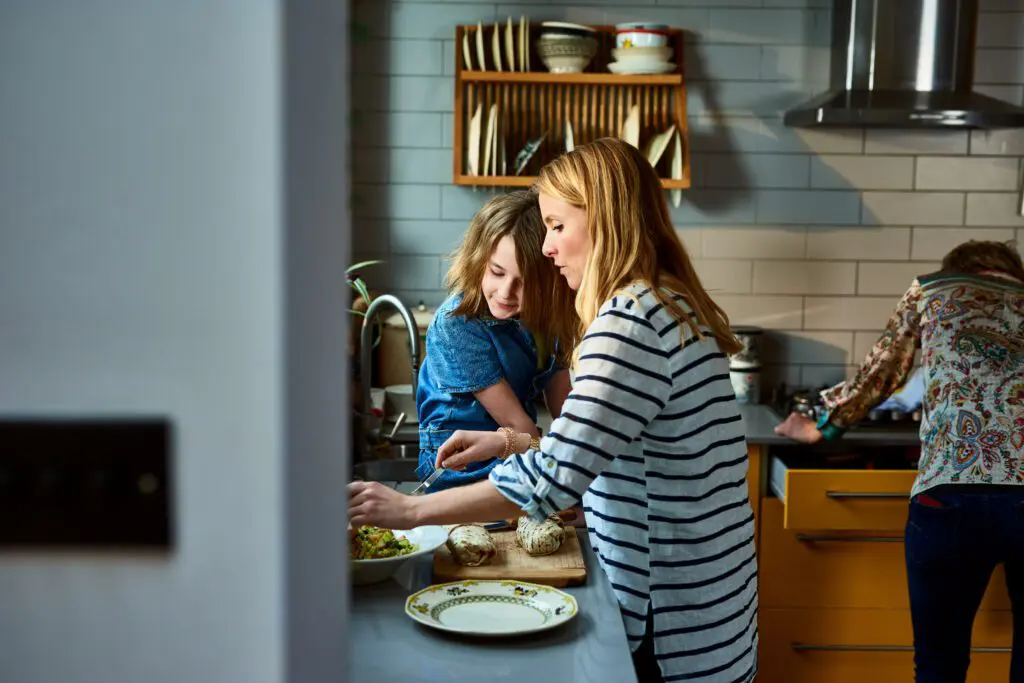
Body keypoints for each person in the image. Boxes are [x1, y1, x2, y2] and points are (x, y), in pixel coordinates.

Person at [351, 138, 759, 683]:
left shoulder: (629, 324)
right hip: (709, 605)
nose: (546, 247)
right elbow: (605, 448)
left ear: (606, 220)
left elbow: (552, 482)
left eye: (557, 225)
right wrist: (508, 442)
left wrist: (408, 513)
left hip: (669, 619)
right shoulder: (669, 302)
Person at [775, 240, 1024, 683]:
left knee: (938, 662)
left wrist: (824, 427)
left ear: (957, 270)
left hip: (948, 496)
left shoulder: (934, 290)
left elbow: (883, 368)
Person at [414, 190, 576, 491]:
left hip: (518, 458)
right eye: (497, 272)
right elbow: (520, 428)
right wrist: (564, 454)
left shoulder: (550, 320)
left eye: (524, 283)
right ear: (477, 261)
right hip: (456, 473)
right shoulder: (457, 325)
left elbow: (570, 421)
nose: (505, 293)